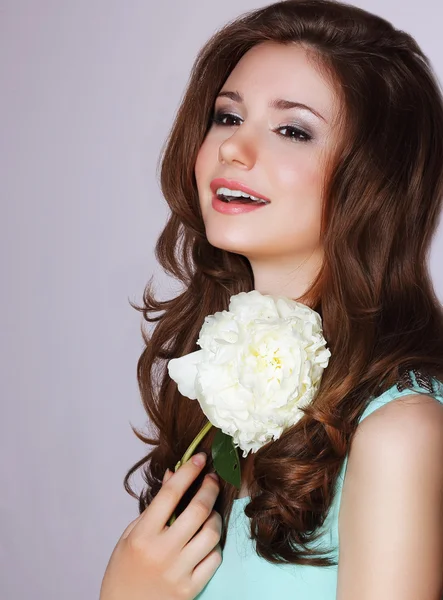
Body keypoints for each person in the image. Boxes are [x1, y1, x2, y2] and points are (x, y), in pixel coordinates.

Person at [99, 0, 443, 598]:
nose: (233, 148)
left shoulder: (400, 433)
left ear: (374, 180)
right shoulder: (220, 399)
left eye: (292, 129)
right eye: (227, 117)